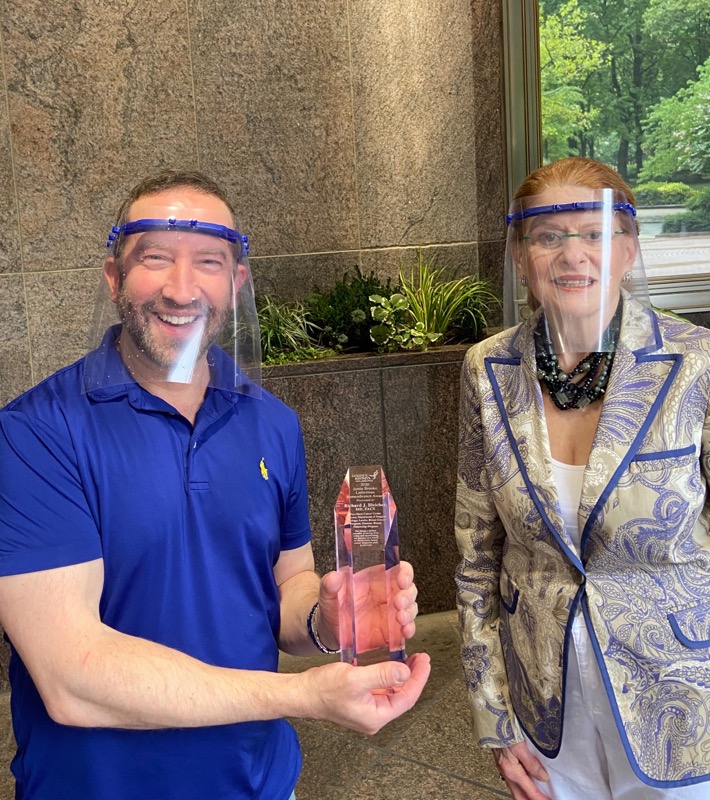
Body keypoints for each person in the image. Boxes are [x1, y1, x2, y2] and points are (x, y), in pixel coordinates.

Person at [0, 170, 431, 800]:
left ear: (236, 283)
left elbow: (285, 587)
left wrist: (329, 619)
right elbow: (72, 677)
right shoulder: (36, 432)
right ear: (114, 278)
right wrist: (302, 694)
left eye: (208, 261)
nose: (181, 288)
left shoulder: (271, 424)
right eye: (155, 259)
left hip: (258, 780)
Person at [454, 156, 710, 800]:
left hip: (683, 699)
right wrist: (493, 717)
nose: (572, 254)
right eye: (548, 236)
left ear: (628, 247)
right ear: (521, 257)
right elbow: (475, 557)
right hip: (545, 707)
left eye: (593, 233)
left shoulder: (694, 364)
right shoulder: (487, 370)